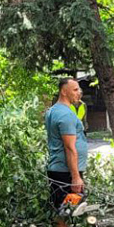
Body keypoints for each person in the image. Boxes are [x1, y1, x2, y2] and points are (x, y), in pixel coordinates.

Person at [45, 77, 89, 213]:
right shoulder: (65, 115)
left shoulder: (53, 110)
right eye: (75, 90)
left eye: (79, 89)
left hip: (59, 170)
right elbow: (69, 148)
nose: (79, 93)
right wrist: (75, 177)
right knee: (67, 214)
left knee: (63, 211)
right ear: (64, 92)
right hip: (67, 173)